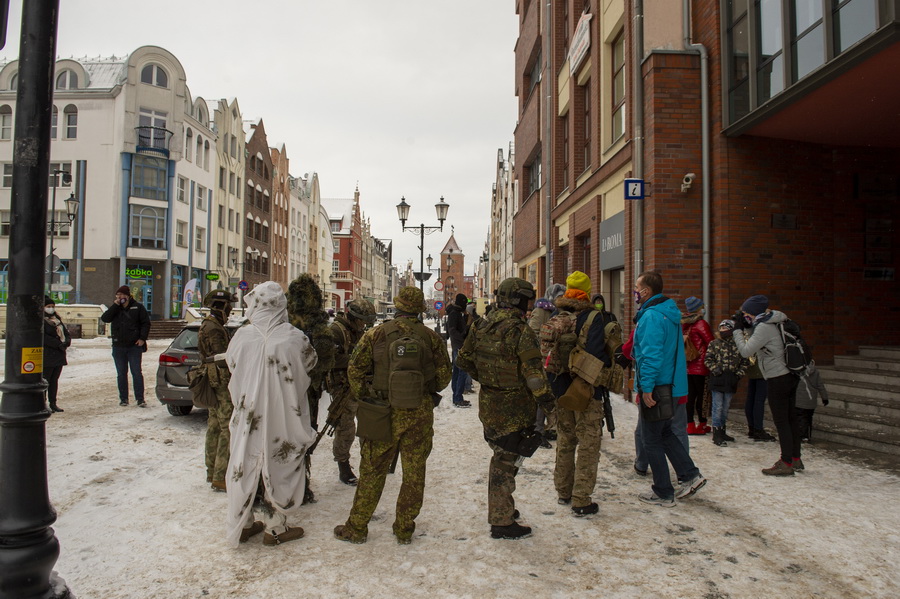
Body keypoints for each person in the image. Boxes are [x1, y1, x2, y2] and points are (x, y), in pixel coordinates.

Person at [334, 286, 451, 545]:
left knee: (373, 469)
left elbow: (354, 370)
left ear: (397, 307)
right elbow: (444, 377)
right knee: (414, 471)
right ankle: (404, 528)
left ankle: (357, 527)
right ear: (420, 310)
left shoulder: (375, 334)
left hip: (381, 410)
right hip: (418, 413)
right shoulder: (430, 337)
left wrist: (368, 394)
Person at [458, 277, 556, 539]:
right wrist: (548, 405)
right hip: (513, 407)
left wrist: (490, 380)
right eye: (527, 299)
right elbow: (534, 375)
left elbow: (464, 359)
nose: (529, 305)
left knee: (503, 455)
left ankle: (503, 508)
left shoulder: (482, 324)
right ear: (518, 299)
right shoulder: (519, 330)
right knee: (504, 461)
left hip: (490, 403)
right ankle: (501, 520)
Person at [224, 281, 317, 547]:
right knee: (279, 461)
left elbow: (232, 364)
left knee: (246, 460)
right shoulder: (294, 337)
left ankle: (246, 521)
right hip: (283, 413)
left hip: (249, 415)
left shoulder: (242, 335)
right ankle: (276, 526)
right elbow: (311, 363)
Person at [632, 270, 706, 507]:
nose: (635, 292)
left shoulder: (652, 316)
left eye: (637, 288)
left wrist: (647, 387)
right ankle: (690, 475)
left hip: (657, 386)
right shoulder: (668, 314)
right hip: (671, 385)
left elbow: (650, 355)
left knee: (651, 439)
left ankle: (663, 491)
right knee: (664, 433)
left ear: (647, 291)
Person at [543, 271, 611, 517]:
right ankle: (581, 498)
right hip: (585, 390)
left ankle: (563, 490)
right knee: (588, 443)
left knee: (565, 439)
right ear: (587, 291)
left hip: (560, 388)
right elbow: (595, 355)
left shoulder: (556, 315)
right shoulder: (593, 317)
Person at [732, 294, 802, 475]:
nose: (744, 316)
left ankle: (786, 462)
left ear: (753, 312)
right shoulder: (774, 321)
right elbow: (760, 343)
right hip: (789, 374)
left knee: (782, 420)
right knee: (791, 417)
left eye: (746, 313)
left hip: (777, 377)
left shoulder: (763, 327)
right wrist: (748, 328)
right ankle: (795, 458)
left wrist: (737, 330)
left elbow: (746, 350)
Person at [325, 297, 376, 485]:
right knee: (345, 427)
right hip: (342, 387)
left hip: (361, 384)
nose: (364, 325)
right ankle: (343, 465)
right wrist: (357, 360)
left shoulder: (360, 331)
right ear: (354, 317)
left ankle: (369, 461)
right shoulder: (336, 331)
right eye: (363, 320)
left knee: (368, 425)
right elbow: (331, 359)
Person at [199, 289, 237, 492]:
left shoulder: (209, 324)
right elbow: (221, 357)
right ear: (220, 306)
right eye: (228, 307)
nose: (230, 311)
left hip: (213, 380)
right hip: (220, 382)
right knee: (226, 428)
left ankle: (212, 471)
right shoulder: (214, 328)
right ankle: (221, 475)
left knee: (214, 425)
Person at [100, 285, 151, 407]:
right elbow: (105, 318)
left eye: (122, 295)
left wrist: (142, 338)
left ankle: (140, 398)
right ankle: (123, 399)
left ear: (128, 296)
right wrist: (115, 306)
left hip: (134, 346)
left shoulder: (138, 307)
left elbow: (146, 323)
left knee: (136, 373)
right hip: (118, 346)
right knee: (121, 374)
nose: (120, 297)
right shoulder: (115, 309)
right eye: (118, 295)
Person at [703, 319, 750, 446]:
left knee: (725, 407)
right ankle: (716, 433)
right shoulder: (714, 344)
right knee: (717, 407)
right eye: (721, 328)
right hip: (717, 378)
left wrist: (738, 375)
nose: (723, 331)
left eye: (726, 328)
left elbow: (745, 362)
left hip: (731, 379)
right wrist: (715, 370)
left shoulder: (738, 345)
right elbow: (708, 359)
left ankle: (722, 430)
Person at [682, 296, 714, 435]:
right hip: (701, 366)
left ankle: (689, 424)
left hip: (688, 365)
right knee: (702, 396)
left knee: (690, 396)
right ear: (699, 309)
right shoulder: (701, 324)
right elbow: (711, 343)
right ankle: (702, 424)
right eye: (702, 307)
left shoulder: (685, 324)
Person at [42, 296, 71, 414]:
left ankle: (53, 403)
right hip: (48, 354)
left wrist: (66, 342)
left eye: (53, 307)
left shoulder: (57, 320)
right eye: (48, 307)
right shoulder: (41, 321)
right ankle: (42, 403)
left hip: (58, 355)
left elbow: (66, 333)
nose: (51, 309)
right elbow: (43, 337)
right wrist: (58, 344)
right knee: (45, 380)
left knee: (54, 380)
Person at [446, 293, 472, 407]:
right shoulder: (454, 314)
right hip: (459, 347)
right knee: (462, 372)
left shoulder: (457, 313)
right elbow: (452, 331)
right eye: (464, 303)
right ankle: (458, 397)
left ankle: (457, 397)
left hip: (458, 346)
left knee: (457, 371)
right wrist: (463, 335)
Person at [795, 361, 829, 442]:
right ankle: (807, 435)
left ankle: (802, 435)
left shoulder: (797, 371)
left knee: (800, 418)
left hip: (799, 401)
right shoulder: (815, 372)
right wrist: (825, 398)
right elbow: (820, 385)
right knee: (808, 418)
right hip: (811, 402)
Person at [744, 358, 776, 442]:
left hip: (752, 367)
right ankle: (757, 429)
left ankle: (752, 428)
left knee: (751, 398)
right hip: (762, 369)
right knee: (759, 401)